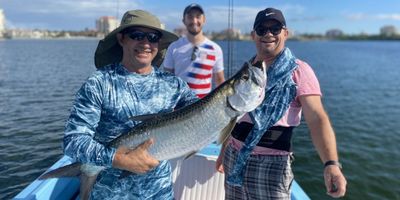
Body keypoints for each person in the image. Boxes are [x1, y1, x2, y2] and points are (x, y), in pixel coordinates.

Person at [63, 10, 198, 199]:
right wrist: (118, 159)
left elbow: (204, 111)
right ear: (121, 39)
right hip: (109, 195)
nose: (145, 43)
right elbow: (73, 140)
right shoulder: (99, 83)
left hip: (159, 193)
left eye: (152, 37)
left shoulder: (174, 84)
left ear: (158, 44)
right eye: (136, 35)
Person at [216, 8, 347, 199]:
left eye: (275, 28)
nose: (268, 33)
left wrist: (331, 164)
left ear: (285, 33)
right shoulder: (246, 72)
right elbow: (233, 116)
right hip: (233, 157)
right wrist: (223, 151)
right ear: (253, 35)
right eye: (262, 29)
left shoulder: (299, 71)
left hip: (272, 165)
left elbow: (317, 119)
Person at [162, 3, 225, 98]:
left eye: (198, 17)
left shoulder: (215, 49)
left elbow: (220, 81)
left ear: (204, 20)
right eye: (190, 17)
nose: (194, 21)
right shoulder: (174, 47)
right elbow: (167, 80)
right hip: (180, 107)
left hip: (205, 106)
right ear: (184, 21)